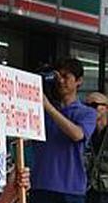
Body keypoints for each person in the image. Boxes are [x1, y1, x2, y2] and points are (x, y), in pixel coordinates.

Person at [32, 58, 98, 203]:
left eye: (66, 76)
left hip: (70, 188)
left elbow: (77, 134)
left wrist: (48, 107)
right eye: (58, 76)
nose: (61, 81)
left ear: (79, 81)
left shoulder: (87, 112)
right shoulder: (41, 110)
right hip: (40, 184)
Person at [86, 92, 108, 203]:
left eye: (94, 105)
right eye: (86, 105)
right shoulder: (86, 130)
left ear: (106, 108)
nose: (89, 109)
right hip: (89, 189)